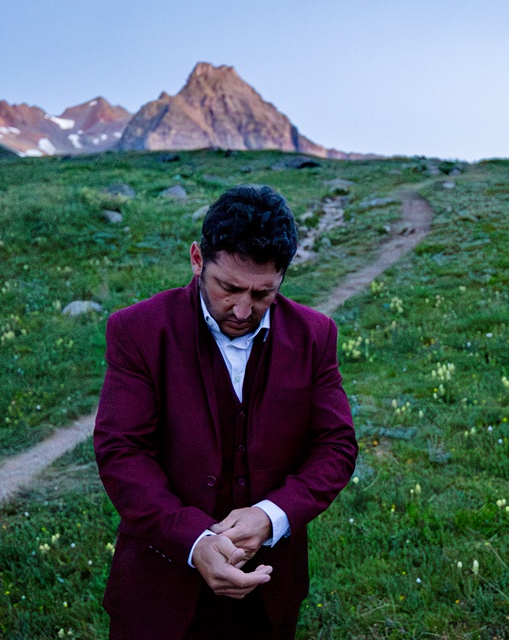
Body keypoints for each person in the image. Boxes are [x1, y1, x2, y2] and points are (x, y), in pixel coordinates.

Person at [93, 184, 358, 639]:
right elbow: (122, 452)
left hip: (269, 594)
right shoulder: (138, 330)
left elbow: (336, 446)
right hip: (159, 590)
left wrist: (272, 516)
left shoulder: (316, 335)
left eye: (263, 293)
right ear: (197, 259)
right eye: (228, 287)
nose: (241, 309)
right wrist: (193, 540)